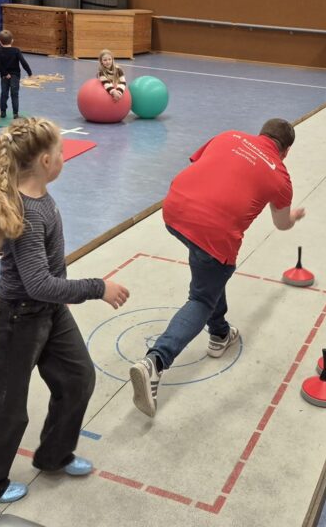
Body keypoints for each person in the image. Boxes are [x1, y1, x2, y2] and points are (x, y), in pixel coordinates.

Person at [0, 117, 130, 504]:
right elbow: (38, 283)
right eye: (61, 152)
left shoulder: (39, 198)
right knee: (5, 404)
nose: (63, 158)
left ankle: (55, 454)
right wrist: (98, 287)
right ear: (44, 160)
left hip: (48, 312)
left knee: (77, 378)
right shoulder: (28, 213)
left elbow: (44, 284)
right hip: (18, 318)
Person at [129, 119, 305, 418]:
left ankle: (219, 333)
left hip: (174, 210)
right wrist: (294, 217)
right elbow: (281, 223)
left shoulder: (228, 135)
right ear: (286, 151)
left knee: (208, 273)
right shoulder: (280, 174)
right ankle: (155, 362)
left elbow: (204, 168)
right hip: (214, 234)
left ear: (261, 133)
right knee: (202, 297)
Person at [0, 30, 32, 119]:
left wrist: (5, 73)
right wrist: (29, 73)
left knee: (4, 94)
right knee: (15, 94)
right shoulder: (16, 51)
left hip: (4, 76)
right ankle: (15, 114)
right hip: (15, 76)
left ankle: (3, 112)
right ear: (12, 41)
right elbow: (23, 62)